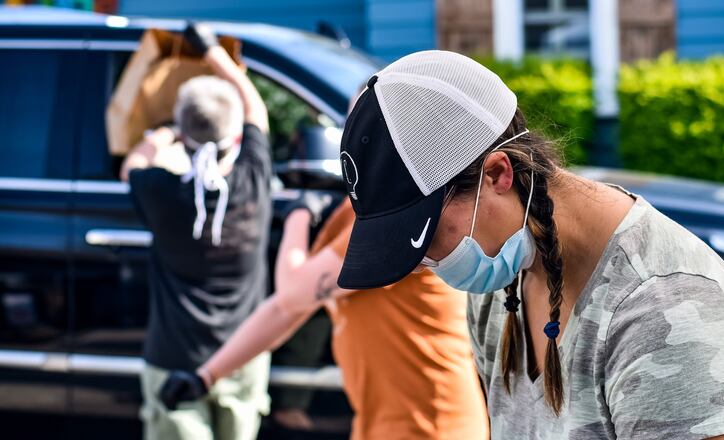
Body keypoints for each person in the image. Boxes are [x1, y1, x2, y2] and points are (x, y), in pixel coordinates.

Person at [332, 50, 724, 439]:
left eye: (426, 234)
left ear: (498, 174)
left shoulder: (664, 310)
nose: (421, 265)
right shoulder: (501, 286)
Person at [157, 103, 490, 439]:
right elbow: (284, 312)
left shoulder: (400, 219)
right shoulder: (359, 212)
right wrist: (207, 376)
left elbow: (291, 295)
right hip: (380, 423)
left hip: (430, 425)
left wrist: (298, 215)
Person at [120, 23, 273, 440]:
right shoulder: (254, 180)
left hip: (174, 359)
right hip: (241, 360)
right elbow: (255, 109)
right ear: (236, 136)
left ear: (184, 136)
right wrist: (212, 51)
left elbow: (131, 167)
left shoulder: (161, 192)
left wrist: (163, 133)